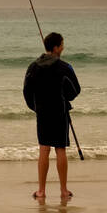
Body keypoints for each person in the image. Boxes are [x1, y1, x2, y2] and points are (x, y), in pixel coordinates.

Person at [23, 32, 80, 200]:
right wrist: (65, 98)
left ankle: (41, 191)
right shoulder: (65, 67)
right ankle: (63, 190)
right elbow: (76, 90)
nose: (63, 47)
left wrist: (35, 108)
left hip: (42, 113)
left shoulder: (33, 67)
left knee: (44, 149)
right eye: (62, 45)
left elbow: (26, 91)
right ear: (55, 47)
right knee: (60, 149)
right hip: (59, 112)